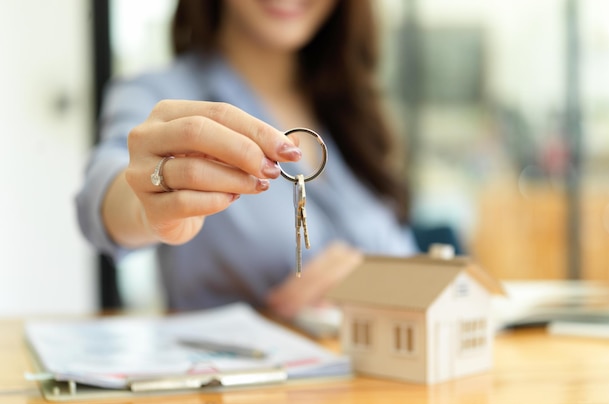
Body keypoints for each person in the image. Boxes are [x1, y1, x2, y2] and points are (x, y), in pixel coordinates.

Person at [76, 0, 417, 319]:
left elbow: (411, 264)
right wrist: (146, 205)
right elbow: (102, 193)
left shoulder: (353, 110)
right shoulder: (156, 93)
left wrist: (376, 281)